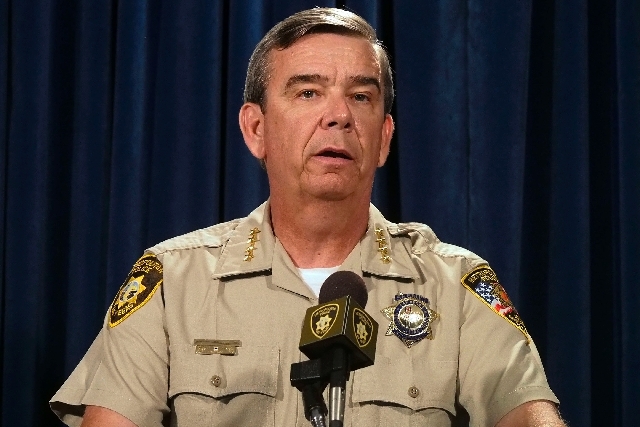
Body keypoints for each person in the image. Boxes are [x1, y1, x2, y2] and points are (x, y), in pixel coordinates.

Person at [51, 7, 567, 427]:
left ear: (384, 138)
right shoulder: (172, 281)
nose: (339, 115)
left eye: (360, 96)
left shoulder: (455, 285)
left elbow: (527, 415)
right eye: (308, 92)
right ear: (256, 129)